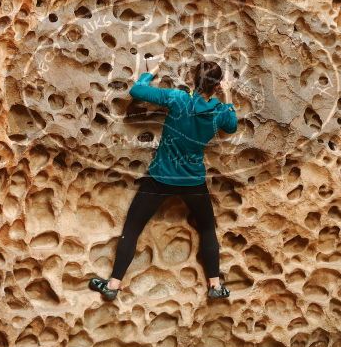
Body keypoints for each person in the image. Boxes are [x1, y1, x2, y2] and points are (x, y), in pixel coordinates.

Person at [89, 59, 238, 301]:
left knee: (133, 228)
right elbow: (231, 126)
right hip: (193, 181)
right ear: (217, 85)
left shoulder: (178, 99)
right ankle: (215, 285)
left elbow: (136, 91)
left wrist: (150, 75)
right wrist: (228, 95)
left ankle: (113, 285)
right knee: (208, 229)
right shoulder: (218, 112)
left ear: (191, 79)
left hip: (161, 177)